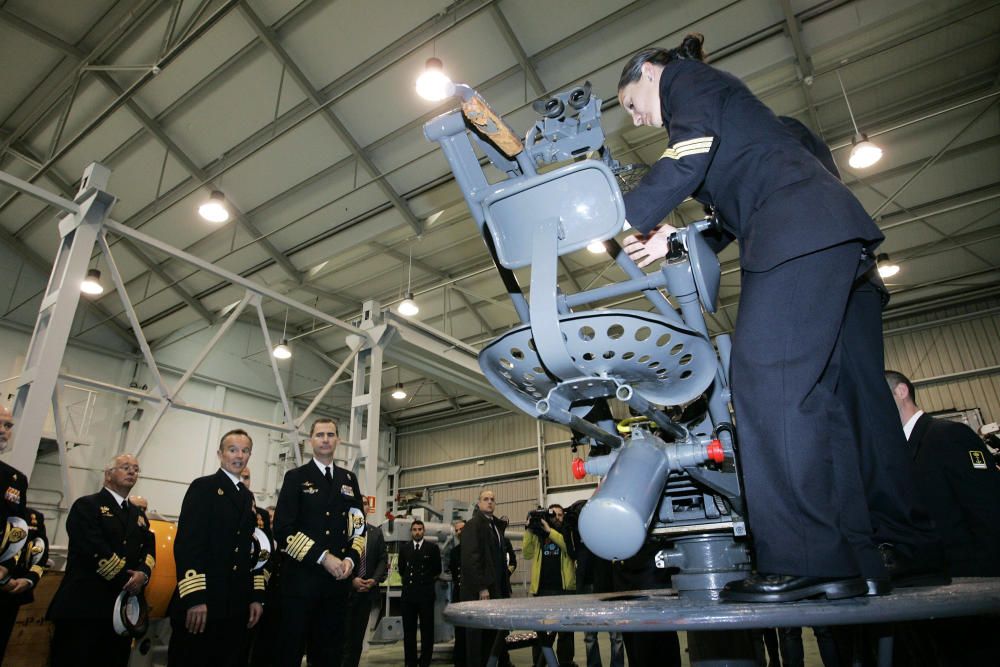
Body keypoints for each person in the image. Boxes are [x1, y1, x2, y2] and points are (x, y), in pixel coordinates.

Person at [617, 33, 943, 602]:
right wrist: (678, 234)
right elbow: (725, 197)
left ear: (648, 70)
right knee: (821, 402)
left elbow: (687, 148)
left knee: (765, 383)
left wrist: (624, 218)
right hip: (811, 230)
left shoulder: (684, 80)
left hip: (795, 232)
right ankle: (851, 557)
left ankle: (804, 557)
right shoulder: (730, 119)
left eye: (630, 104)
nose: (640, 120)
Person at [885, 371, 1000, 576]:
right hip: (934, 572)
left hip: (970, 572)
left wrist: (986, 576)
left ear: (901, 391)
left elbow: (986, 507)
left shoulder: (948, 435)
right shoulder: (899, 449)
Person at [273, 417, 366, 667]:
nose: (325, 439)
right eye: (320, 435)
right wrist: (323, 557)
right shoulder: (295, 477)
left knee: (330, 654)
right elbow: (282, 529)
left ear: (338, 440)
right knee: (289, 652)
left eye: (330, 434)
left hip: (336, 587)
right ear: (310, 440)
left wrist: (350, 559)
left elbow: (358, 526)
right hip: (301, 584)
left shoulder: (349, 479)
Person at [167, 429, 265, 666]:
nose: (239, 456)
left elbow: (250, 552)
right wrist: (194, 597)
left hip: (235, 607)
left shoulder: (246, 497)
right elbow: (188, 545)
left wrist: (255, 596)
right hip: (205, 602)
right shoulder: (204, 487)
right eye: (233, 450)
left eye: (245, 451)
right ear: (220, 454)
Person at [47, 454, 155, 667]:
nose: (132, 472)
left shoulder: (138, 516)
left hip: (119, 613)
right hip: (83, 607)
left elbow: (149, 551)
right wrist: (128, 579)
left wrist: (143, 574)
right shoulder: (87, 506)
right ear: (108, 475)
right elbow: (93, 549)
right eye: (125, 467)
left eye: (135, 468)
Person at [0, 406, 36, 661]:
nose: (4, 431)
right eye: (0, 424)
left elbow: (18, 529)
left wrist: (7, 566)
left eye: (8, 426)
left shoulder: (15, 479)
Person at [523, 504, 576, 667]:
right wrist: (529, 530)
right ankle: (539, 663)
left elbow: (569, 548)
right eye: (554, 515)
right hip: (542, 590)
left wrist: (550, 532)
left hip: (564, 589)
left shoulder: (568, 532)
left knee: (565, 632)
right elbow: (527, 554)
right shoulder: (539, 534)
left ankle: (566, 662)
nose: (557, 518)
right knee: (541, 630)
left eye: (560, 515)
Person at [461, 489, 510, 666]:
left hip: (496, 590)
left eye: (492, 499)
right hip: (480, 592)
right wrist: (482, 587)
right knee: (477, 639)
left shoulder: (496, 526)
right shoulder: (473, 525)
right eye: (485, 499)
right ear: (479, 503)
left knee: (493, 636)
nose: (489, 502)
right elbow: (471, 558)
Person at [342, 521, 388, 667]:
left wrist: (374, 580)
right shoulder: (344, 528)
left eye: (366, 504)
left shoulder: (375, 532)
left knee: (357, 638)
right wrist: (351, 580)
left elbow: (382, 558)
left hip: (367, 593)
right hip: (346, 592)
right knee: (343, 638)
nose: (364, 506)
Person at [399, 519, 442, 667]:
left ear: (424, 531)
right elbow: (402, 569)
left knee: (427, 632)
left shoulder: (432, 548)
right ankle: (410, 663)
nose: (417, 532)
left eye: (420, 529)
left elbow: (437, 570)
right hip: (408, 596)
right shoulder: (404, 549)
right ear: (411, 532)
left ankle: (425, 662)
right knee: (409, 632)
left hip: (425, 595)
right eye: (415, 529)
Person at [448, 519, 467, 667]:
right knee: (460, 631)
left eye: (462, 529)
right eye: (457, 530)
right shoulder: (454, 553)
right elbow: (455, 574)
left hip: (472, 595)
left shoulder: (476, 550)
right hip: (459, 594)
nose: (459, 532)